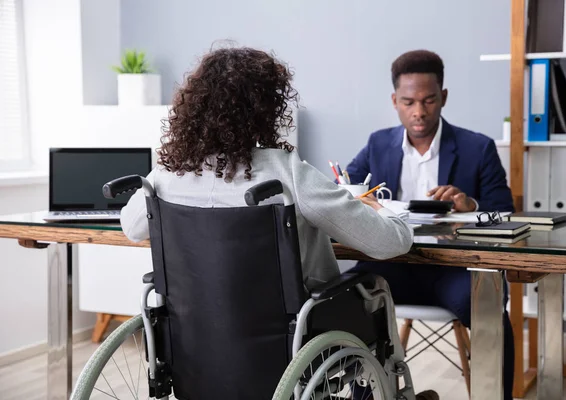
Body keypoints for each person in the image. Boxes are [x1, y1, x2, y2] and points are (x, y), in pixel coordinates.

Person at [120, 46, 438, 400]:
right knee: (374, 284)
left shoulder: (167, 174)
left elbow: (131, 226)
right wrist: (387, 214)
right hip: (290, 344)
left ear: (195, 108)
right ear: (265, 109)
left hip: (193, 345)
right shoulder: (284, 173)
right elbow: (388, 243)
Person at [345, 49, 516, 399]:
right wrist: (360, 198)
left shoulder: (477, 147)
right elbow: (345, 190)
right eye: (408, 102)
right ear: (395, 100)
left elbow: (506, 212)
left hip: (454, 271)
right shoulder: (378, 144)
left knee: (488, 307)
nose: (419, 112)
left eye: (428, 101)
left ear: (444, 97)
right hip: (391, 267)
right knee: (345, 296)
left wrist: (471, 205)